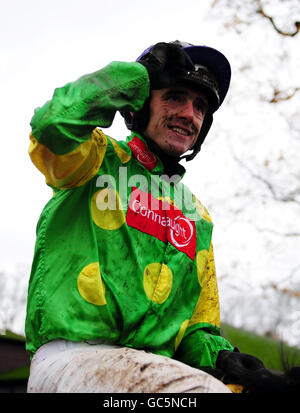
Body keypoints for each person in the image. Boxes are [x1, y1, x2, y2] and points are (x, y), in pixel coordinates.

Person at [25, 41, 262, 393]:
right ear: (140, 106)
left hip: (153, 370)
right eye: (175, 97)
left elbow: (196, 328)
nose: (189, 114)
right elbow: (51, 124)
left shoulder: (198, 217)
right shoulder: (95, 158)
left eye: (200, 106)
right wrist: (139, 77)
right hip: (69, 359)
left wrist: (229, 364)